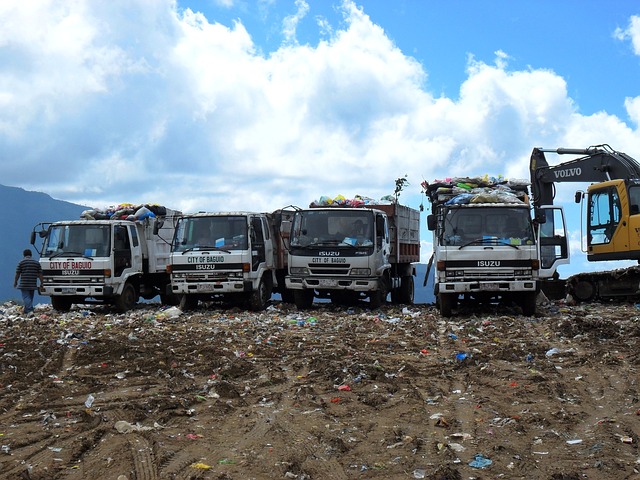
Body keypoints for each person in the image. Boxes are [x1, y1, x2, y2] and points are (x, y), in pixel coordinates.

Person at [14, 249, 43, 315]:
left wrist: (15, 282)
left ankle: (29, 309)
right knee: (30, 297)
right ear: (31, 254)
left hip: (24, 283)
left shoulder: (21, 262)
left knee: (26, 297)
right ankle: (27, 310)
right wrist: (42, 283)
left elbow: (17, 273)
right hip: (33, 283)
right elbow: (40, 274)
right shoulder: (36, 263)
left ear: (24, 255)